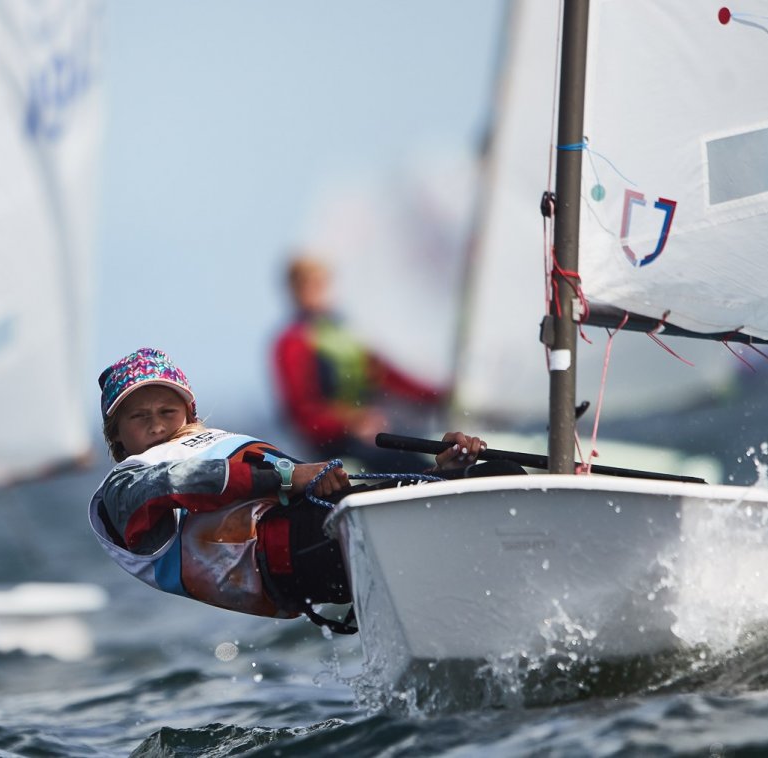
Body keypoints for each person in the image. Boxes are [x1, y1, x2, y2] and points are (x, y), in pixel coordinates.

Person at [88, 347, 513, 632]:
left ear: (188, 412)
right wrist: (292, 477)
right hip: (285, 563)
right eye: (138, 417)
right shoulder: (122, 489)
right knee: (391, 516)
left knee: (498, 471)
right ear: (117, 434)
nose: (157, 425)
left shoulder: (207, 441)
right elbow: (181, 484)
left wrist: (440, 473)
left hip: (319, 527)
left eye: (167, 410)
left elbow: (299, 485)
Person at [272, 254, 446, 471]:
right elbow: (301, 412)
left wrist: (439, 396)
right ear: (296, 291)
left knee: (417, 447)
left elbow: (389, 376)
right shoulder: (292, 343)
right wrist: (351, 423)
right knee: (404, 462)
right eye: (310, 284)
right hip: (332, 444)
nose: (319, 291)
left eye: (322, 283)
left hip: (368, 434)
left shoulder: (344, 336)